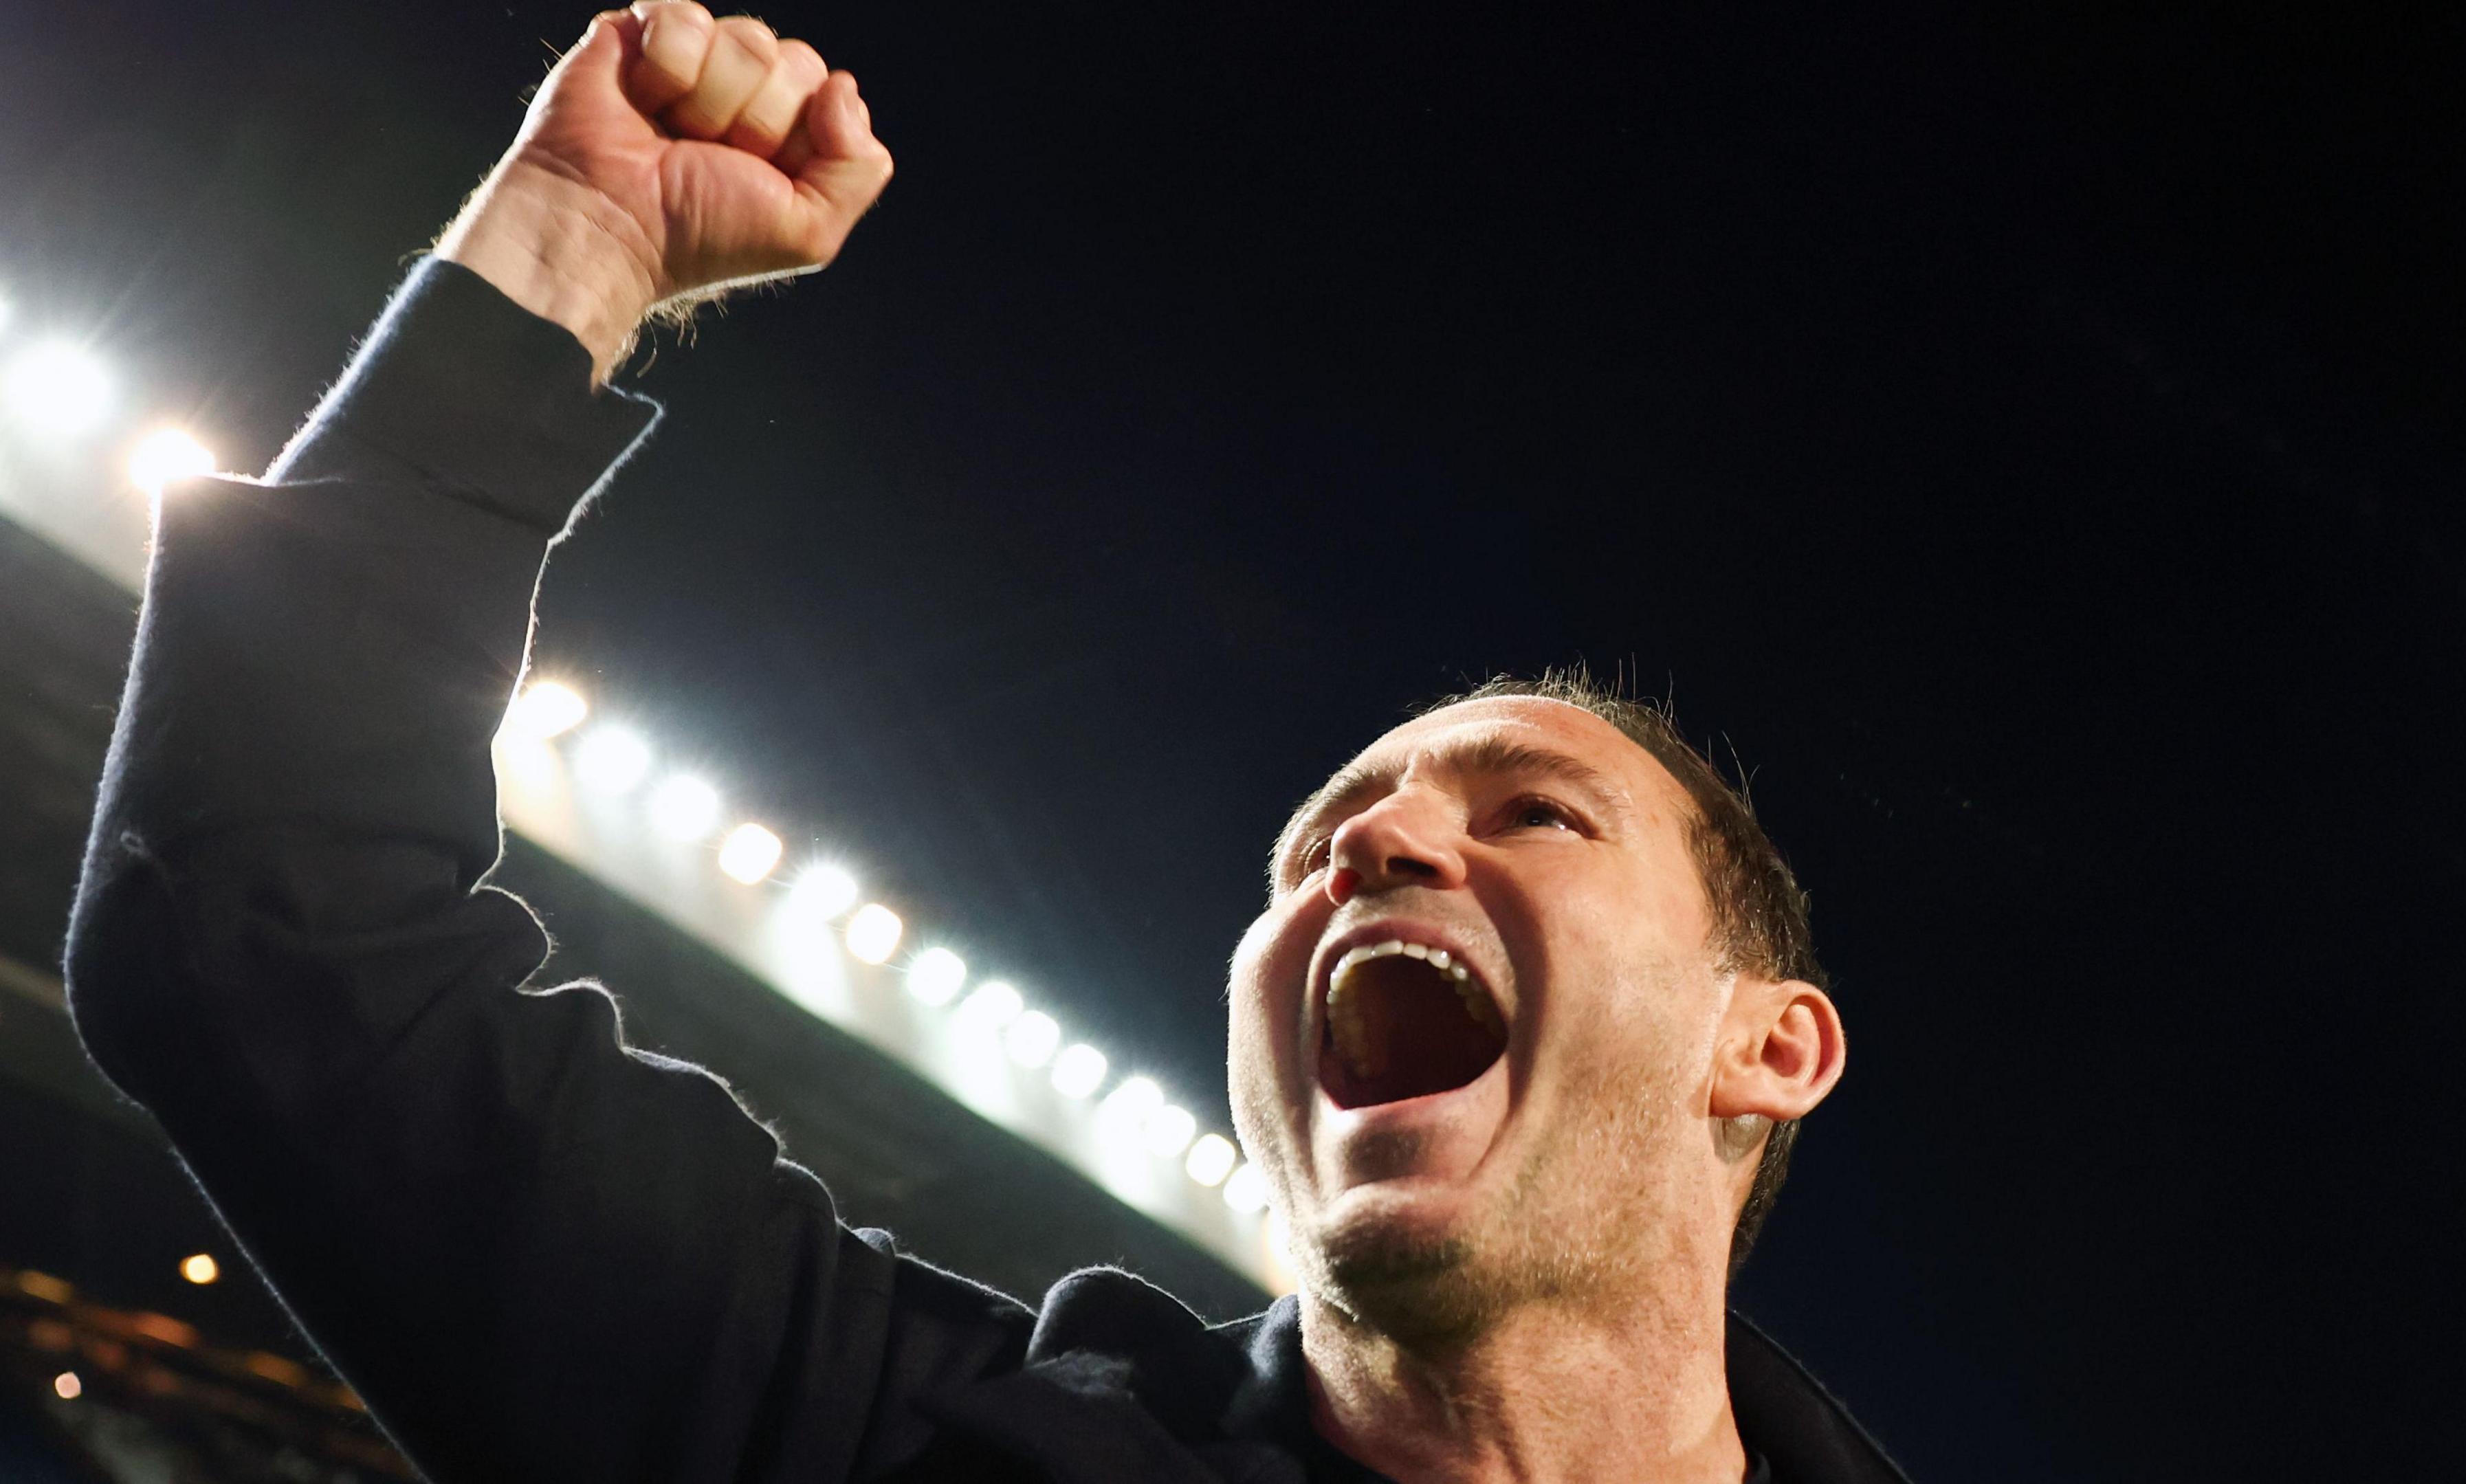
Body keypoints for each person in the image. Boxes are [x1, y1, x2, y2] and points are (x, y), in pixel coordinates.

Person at [65, 6, 1906, 1480]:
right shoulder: (894, 1441)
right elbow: (259, 914)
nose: (1378, 845)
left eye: (1539, 815)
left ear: (1769, 1046)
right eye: (1311, 847)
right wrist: (574, 240)